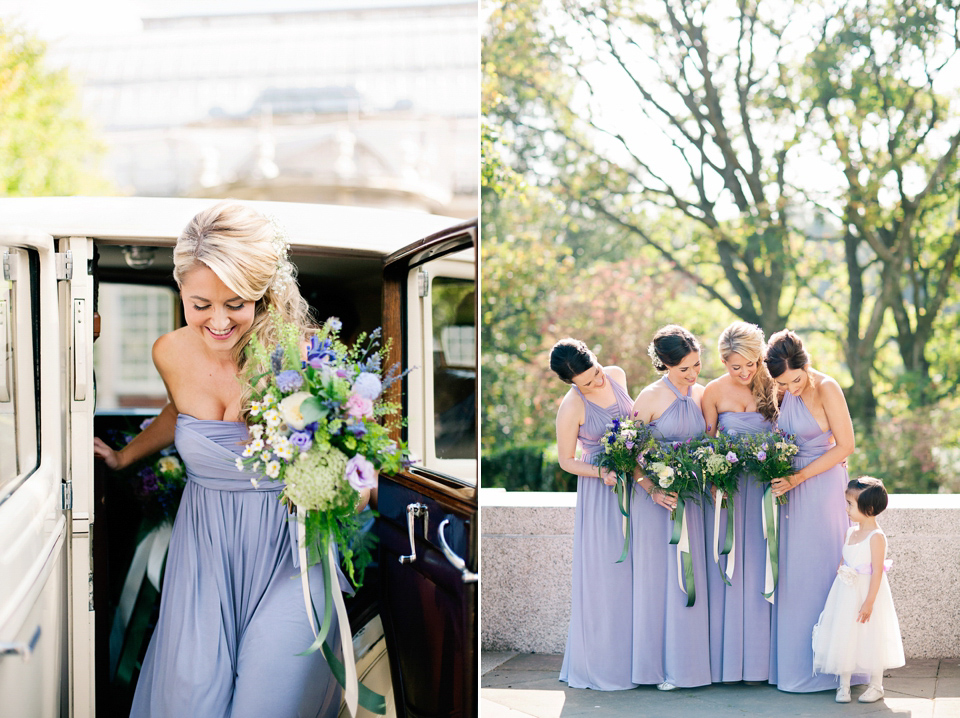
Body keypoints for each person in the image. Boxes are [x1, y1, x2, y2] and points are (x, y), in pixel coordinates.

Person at [94, 201, 361, 718]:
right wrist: (126, 456)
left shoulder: (307, 355)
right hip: (204, 551)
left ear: (263, 294)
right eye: (200, 304)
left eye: (236, 304)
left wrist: (345, 485)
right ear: (181, 294)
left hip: (289, 554)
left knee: (265, 703)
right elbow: (183, 412)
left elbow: (354, 459)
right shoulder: (168, 351)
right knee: (193, 699)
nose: (217, 321)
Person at [763, 329, 856, 693]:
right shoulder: (783, 391)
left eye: (796, 379)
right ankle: (796, 668)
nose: (792, 387)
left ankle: (835, 671)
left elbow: (845, 445)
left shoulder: (827, 387)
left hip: (819, 487)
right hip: (791, 491)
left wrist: (799, 476)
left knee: (822, 570)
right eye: (784, 382)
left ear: (807, 365)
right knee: (795, 576)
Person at [550, 338, 636, 691]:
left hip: (637, 480)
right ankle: (605, 663)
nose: (597, 381)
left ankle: (638, 659)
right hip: (602, 490)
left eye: (596, 372)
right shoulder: (571, 407)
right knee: (608, 573)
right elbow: (566, 460)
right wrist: (603, 473)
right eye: (586, 382)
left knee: (637, 574)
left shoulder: (616, 374)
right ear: (572, 384)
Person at [630, 325, 711, 690]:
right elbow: (627, 453)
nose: (693, 375)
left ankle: (692, 665)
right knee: (660, 581)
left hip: (693, 501)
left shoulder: (703, 394)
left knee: (693, 579)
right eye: (685, 369)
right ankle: (659, 668)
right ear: (664, 365)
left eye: (697, 365)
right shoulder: (649, 398)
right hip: (656, 504)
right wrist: (651, 489)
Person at [700, 322, 778, 683]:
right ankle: (730, 664)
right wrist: (715, 479)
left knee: (767, 566)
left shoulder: (775, 383)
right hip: (732, 493)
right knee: (734, 570)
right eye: (736, 367)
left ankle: (766, 663)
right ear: (723, 362)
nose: (745, 372)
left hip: (769, 492)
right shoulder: (713, 393)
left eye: (751, 363)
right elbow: (709, 444)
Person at [813, 477, 905, 703]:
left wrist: (870, 601)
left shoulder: (877, 537)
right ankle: (843, 685)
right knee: (844, 632)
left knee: (872, 635)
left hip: (867, 593)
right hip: (846, 592)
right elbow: (845, 560)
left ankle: (876, 685)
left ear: (870, 508)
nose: (846, 509)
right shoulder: (850, 532)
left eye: (850, 505)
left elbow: (877, 572)